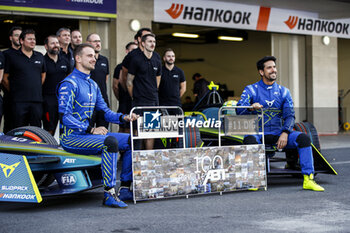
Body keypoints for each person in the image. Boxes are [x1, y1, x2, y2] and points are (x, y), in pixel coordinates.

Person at [58, 43, 137, 208]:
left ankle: (124, 188)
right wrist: (91, 129)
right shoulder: (69, 84)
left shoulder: (93, 85)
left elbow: (106, 112)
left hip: (87, 136)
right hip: (71, 138)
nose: (94, 59)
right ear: (78, 58)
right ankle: (109, 193)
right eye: (89, 56)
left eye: (94, 56)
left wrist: (124, 117)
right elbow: (65, 117)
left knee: (131, 140)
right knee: (110, 142)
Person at [236, 56, 324, 191]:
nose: (273, 70)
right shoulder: (251, 90)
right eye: (269, 67)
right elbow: (238, 109)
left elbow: (290, 116)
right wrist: (250, 107)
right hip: (257, 133)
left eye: (274, 67)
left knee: (304, 139)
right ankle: (255, 180)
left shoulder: (284, 92)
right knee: (249, 140)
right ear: (261, 72)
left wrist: (285, 132)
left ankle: (308, 179)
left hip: (278, 133)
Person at [3, 29, 46, 129]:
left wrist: (36, 87)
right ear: (21, 41)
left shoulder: (39, 56)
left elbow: (43, 74)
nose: (33, 41)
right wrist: (15, 91)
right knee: (18, 130)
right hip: (18, 102)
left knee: (36, 130)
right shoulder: (11, 56)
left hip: (36, 101)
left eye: (34, 39)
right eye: (29, 39)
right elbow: (5, 78)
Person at [127, 33, 162, 150]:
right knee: (137, 133)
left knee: (151, 133)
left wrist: (151, 92)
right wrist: (135, 97)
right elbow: (129, 81)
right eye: (149, 41)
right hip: (139, 102)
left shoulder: (157, 58)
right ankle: (136, 161)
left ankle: (149, 161)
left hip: (153, 102)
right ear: (142, 43)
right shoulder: (136, 59)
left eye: (154, 42)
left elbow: (158, 80)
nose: (152, 44)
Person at [42, 35, 70, 135]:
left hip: (63, 100)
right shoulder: (42, 61)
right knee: (49, 129)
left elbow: (69, 78)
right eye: (52, 43)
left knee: (65, 129)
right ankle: (47, 149)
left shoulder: (65, 61)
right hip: (48, 100)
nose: (56, 45)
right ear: (46, 46)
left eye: (57, 43)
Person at [113, 41, 137, 133]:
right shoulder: (119, 67)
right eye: (132, 50)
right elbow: (115, 86)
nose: (135, 52)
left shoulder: (137, 66)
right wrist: (121, 99)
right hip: (124, 103)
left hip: (135, 102)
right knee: (124, 127)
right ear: (127, 51)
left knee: (135, 129)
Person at [86, 33, 110, 129]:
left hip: (102, 101)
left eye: (99, 41)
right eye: (95, 41)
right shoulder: (85, 60)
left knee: (103, 130)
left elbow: (106, 79)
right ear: (88, 43)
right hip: (88, 101)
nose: (98, 43)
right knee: (88, 131)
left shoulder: (104, 60)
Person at [2, 26, 22, 133]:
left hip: (24, 101)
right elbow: (4, 79)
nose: (19, 38)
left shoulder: (28, 55)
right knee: (10, 128)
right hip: (10, 99)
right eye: (16, 35)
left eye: (21, 35)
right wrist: (15, 93)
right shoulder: (5, 55)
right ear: (10, 38)